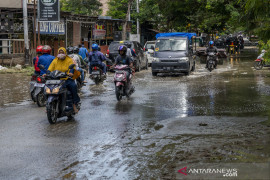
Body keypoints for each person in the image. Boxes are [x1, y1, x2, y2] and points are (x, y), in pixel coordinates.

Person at [47, 47, 80, 113]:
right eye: (60, 53)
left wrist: (71, 73)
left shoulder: (69, 60)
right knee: (47, 88)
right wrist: (47, 73)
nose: (61, 54)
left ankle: (74, 104)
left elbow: (72, 67)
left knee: (73, 86)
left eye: (62, 53)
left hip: (67, 79)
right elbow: (50, 68)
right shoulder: (55, 60)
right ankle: (48, 104)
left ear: (65, 53)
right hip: (57, 80)